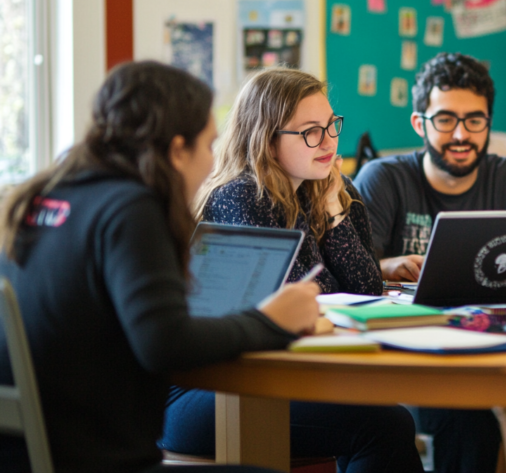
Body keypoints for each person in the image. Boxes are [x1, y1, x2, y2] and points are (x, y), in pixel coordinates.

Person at [0, 61, 319, 473]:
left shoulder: (43, 196)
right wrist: (270, 320)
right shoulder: (131, 207)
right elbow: (165, 342)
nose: (212, 162)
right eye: (208, 146)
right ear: (176, 150)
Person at [160, 68, 423, 472]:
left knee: (383, 416)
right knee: (384, 425)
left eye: (331, 125)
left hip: (280, 374)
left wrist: (335, 211)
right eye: (309, 132)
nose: (329, 142)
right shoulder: (242, 196)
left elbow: (367, 289)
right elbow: (308, 298)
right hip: (210, 387)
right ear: (266, 140)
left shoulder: (336, 187)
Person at [354, 52, 506, 472]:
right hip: (400, 356)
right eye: (445, 120)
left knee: (484, 415)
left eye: (474, 120)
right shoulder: (382, 179)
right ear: (419, 123)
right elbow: (346, 277)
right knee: (467, 416)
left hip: (498, 352)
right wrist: (385, 267)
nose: (461, 134)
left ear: (488, 124)